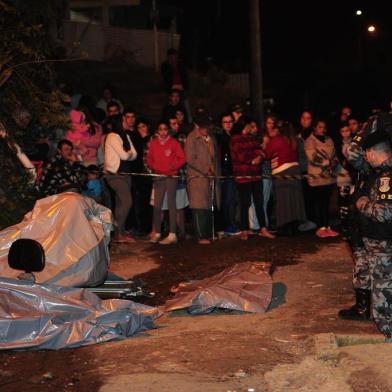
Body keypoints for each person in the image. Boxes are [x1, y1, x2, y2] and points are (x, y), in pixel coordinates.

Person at [344, 131, 392, 341]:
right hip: (377, 245)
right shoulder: (379, 174)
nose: (364, 157)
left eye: (366, 153)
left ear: (372, 152)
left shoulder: (386, 178)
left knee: (384, 303)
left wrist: (360, 201)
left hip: (383, 246)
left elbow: (384, 213)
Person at [230, 116, 275, 240]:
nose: (252, 127)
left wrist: (259, 158)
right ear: (246, 125)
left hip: (256, 175)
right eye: (250, 125)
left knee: (259, 203)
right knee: (245, 203)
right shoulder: (235, 139)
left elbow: (261, 151)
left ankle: (263, 228)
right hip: (243, 176)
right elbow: (240, 156)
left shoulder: (252, 138)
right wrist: (253, 159)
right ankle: (244, 229)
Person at [146, 120, 186, 245]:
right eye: (160, 129)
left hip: (171, 176)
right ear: (157, 131)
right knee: (157, 205)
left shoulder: (173, 143)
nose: (163, 132)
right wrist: (155, 168)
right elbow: (149, 159)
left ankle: (172, 234)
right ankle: (157, 232)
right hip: (159, 177)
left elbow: (182, 158)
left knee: (171, 204)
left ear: (168, 130)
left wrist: (172, 167)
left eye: (165, 129)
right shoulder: (153, 143)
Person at [264, 121, 306, 235]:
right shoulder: (295, 141)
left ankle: (284, 227)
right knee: (294, 199)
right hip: (295, 170)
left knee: (283, 200)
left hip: (282, 171)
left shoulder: (277, 140)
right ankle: (295, 226)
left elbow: (267, 154)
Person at [185, 113, 220, 244]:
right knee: (199, 205)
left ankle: (208, 233)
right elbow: (190, 159)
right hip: (196, 176)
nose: (206, 129)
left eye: (207, 126)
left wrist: (213, 170)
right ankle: (201, 236)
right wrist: (206, 169)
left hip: (209, 176)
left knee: (208, 204)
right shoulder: (192, 138)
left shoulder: (209, 137)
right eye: (204, 127)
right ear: (197, 126)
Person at [104, 114, 137, 243]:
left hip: (126, 175)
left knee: (120, 204)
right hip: (115, 175)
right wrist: (128, 153)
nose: (127, 121)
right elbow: (125, 156)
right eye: (124, 119)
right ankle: (117, 228)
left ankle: (119, 233)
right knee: (127, 201)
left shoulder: (126, 136)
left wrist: (128, 154)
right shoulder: (112, 136)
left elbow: (135, 155)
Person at [305, 120, 339, 238]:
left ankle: (326, 226)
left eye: (324, 127)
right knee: (318, 203)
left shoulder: (329, 139)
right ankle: (320, 227)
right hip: (317, 177)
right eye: (320, 127)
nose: (322, 129)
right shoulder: (310, 141)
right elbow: (313, 158)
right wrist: (327, 162)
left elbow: (334, 155)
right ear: (314, 128)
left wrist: (333, 163)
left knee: (325, 203)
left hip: (328, 178)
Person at [216, 112, 239, 235]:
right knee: (228, 199)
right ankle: (229, 225)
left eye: (230, 121)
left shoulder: (236, 135)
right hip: (226, 172)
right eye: (225, 122)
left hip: (237, 171)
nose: (228, 124)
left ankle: (233, 223)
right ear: (221, 124)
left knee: (234, 200)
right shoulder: (219, 138)